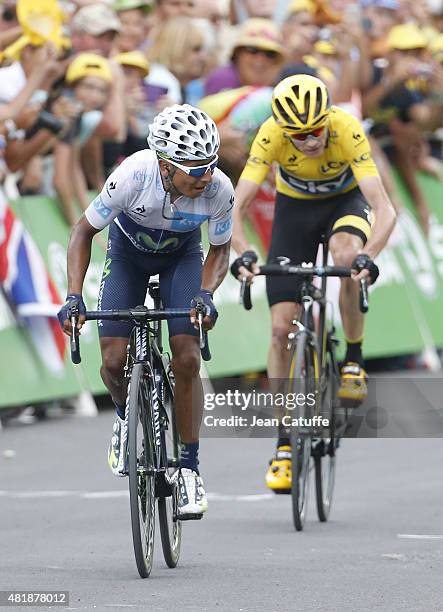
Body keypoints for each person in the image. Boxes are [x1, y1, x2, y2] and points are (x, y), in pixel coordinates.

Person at [58, 104, 234, 519]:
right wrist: (72, 296)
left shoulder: (220, 188)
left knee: (188, 357)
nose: (205, 175)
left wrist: (206, 293)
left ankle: (189, 469)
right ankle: (124, 414)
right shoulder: (133, 175)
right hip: (127, 258)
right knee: (113, 363)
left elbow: (221, 248)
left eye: (209, 164)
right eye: (193, 168)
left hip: (183, 259)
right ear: (164, 164)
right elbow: (82, 231)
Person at [230, 75, 396, 493]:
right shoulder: (270, 134)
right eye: (298, 135)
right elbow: (235, 208)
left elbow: (385, 209)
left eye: (315, 130)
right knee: (281, 329)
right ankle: (284, 447)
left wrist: (367, 258)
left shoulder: (345, 127)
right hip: (295, 213)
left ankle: (354, 358)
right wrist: (244, 253)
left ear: (327, 119)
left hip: (344, 204)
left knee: (344, 257)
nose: (308, 141)